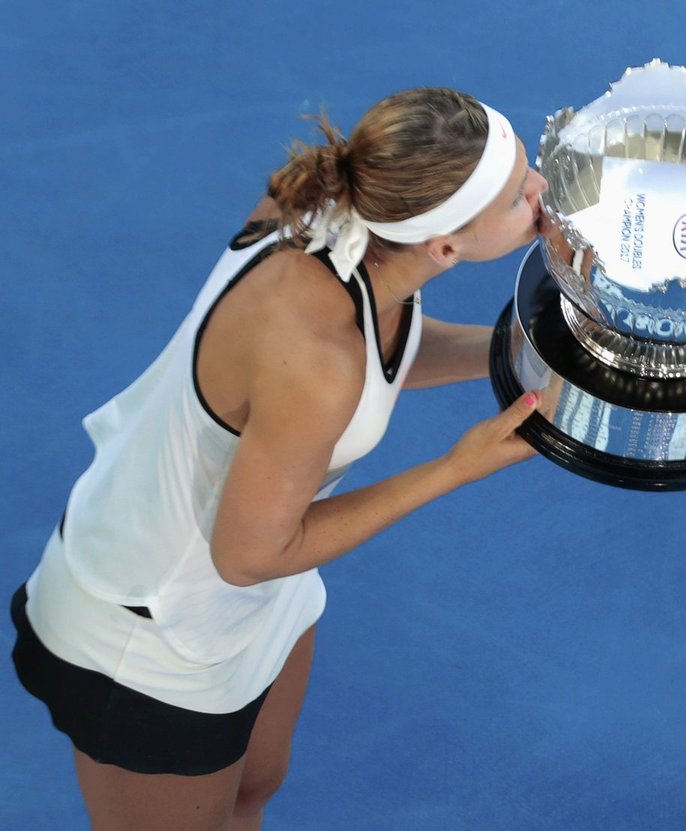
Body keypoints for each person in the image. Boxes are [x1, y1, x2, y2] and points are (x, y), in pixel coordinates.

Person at [9, 87, 548, 830]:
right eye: (522, 195)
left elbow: (381, 353)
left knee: (254, 789)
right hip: (147, 634)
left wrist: (524, 350)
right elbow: (253, 551)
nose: (541, 191)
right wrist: (455, 466)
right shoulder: (314, 357)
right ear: (446, 246)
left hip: (254, 595)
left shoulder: (348, 222)